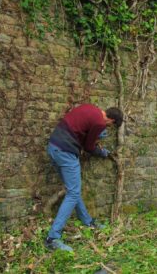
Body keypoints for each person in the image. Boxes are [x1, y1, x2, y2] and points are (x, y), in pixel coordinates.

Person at [45, 104, 123, 251]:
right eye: (110, 126)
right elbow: (89, 147)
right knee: (73, 193)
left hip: (53, 146)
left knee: (72, 190)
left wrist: (95, 136)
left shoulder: (91, 108)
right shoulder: (100, 122)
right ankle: (52, 238)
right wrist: (103, 152)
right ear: (111, 120)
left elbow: (79, 128)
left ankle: (87, 221)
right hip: (66, 151)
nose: (107, 128)